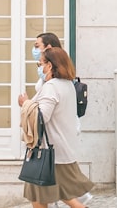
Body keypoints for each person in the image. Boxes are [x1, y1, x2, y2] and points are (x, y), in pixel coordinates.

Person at [18, 47, 94, 208]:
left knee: (43, 196)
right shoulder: (67, 85)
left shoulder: (52, 86)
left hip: (49, 154)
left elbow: (41, 117)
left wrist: (25, 103)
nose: (40, 68)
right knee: (45, 196)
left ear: (50, 66)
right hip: (60, 151)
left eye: (41, 64)